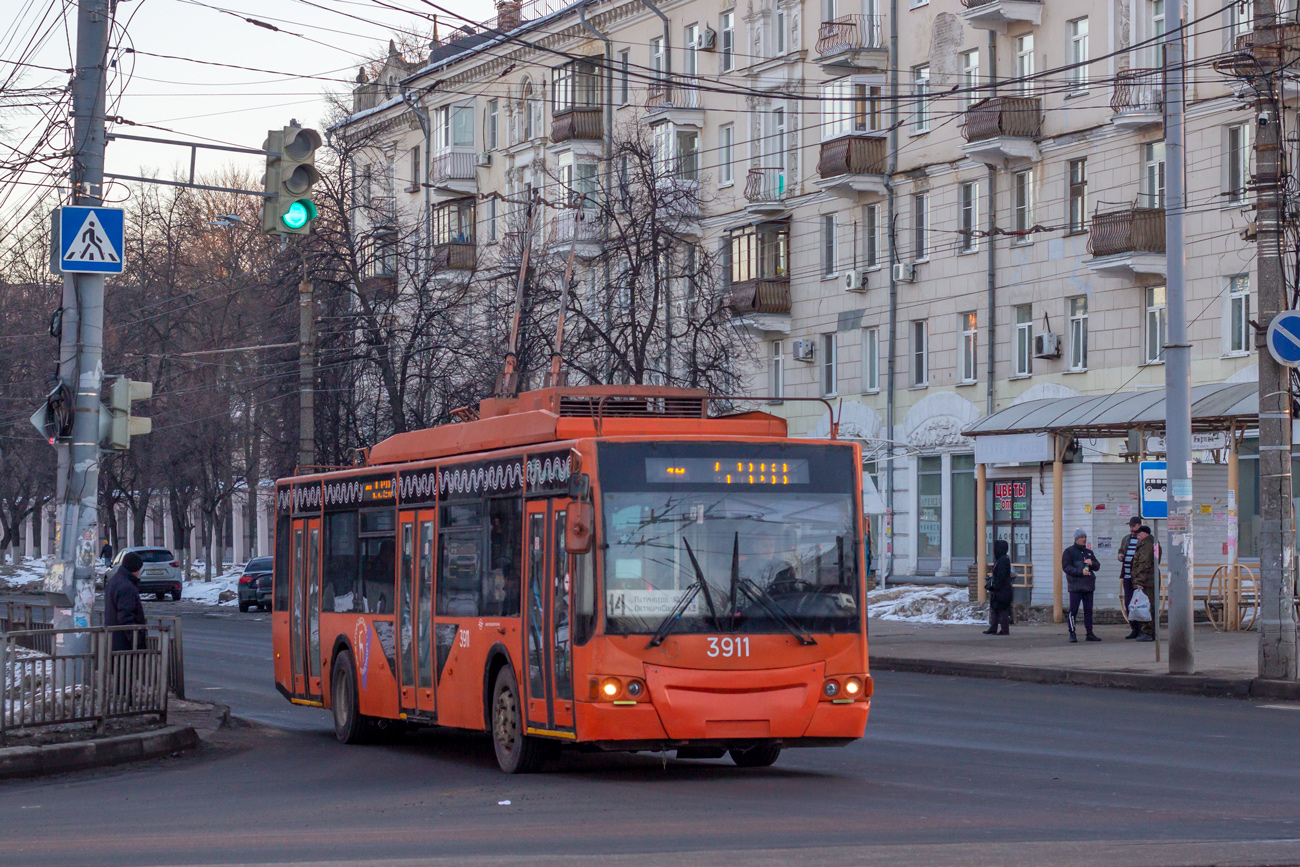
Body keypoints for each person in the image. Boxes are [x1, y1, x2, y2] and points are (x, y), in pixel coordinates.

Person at [1061, 528, 1102, 643]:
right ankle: (1072, 632)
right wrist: (1080, 572)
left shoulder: (1089, 552)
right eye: (1081, 538)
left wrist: (1092, 563)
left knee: (1088, 611)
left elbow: (1097, 566)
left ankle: (1089, 633)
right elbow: (1066, 567)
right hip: (1075, 587)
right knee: (1073, 611)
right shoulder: (1069, 552)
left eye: (1084, 537)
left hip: (1088, 586)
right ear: (1076, 539)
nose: (1083, 539)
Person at [103, 551, 147, 652]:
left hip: (113, 639)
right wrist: (137, 642)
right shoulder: (127, 587)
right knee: (128, 668)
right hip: (124, 644)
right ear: (136, 568)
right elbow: (125, 617)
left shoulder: (114, 581)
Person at [1130, 525, 1158, 642]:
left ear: (1144, 534)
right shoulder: (1151, 543)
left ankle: (1148, 631)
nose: (1137, 536)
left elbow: (1144, 564)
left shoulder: (1147, 546)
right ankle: (1149, 630)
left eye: (1138, 534)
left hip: (1147, 580)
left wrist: (1139, 581)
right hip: (1149, 579)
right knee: (1148, 604)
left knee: (1147, 605)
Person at [1116, 516, 1143, 639]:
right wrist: (1120, 555)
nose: (1131, 528)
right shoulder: (1126, 539)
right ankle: (1133, 628)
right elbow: (1121, 550)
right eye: (1130, 526)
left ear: (1139, 526)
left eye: (1133, 526)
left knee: (1140, 603)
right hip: (1127, 576)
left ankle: (1142, 628)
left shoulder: (1143, 539)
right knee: (1129, 603)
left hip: (1138, 577)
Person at [982, 539, 1013, 635]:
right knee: (994, 608)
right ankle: (993, 627)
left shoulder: (1003, 560)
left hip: (1002, 589)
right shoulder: (1000, 559)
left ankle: (1004, 629)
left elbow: (1002, 575)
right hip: (999, 588)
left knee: (1002, 609)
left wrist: (996, 584)